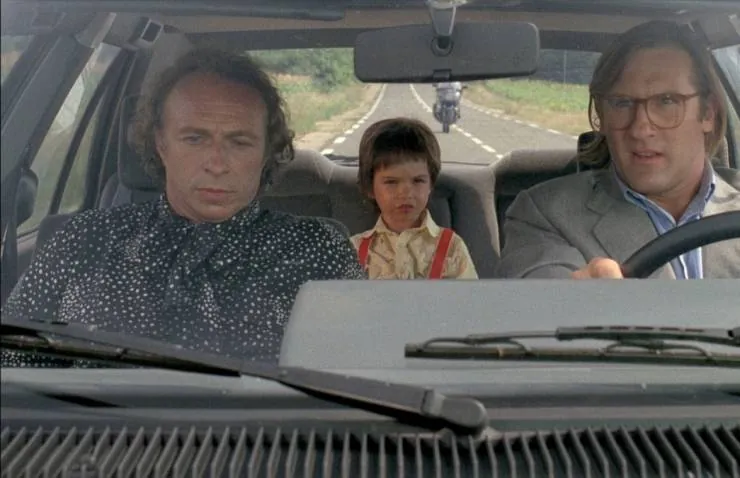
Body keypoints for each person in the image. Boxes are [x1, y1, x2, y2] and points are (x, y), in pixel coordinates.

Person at [2, 48, 366, 366]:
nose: (217, 164)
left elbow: (358, 382)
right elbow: (11, 367)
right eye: (195, 139)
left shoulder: (318, 251)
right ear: (161, 144)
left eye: (239, 142)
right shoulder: (83, 241)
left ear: (266, 152)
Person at [496, 21, 740, 279]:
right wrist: (574, 296)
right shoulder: (545, 214)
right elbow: (540, 289)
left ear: (708, 113)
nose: (640, 128)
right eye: (622, 103)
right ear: (602, 114)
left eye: (666, 101)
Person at [351, 117, 478, 279]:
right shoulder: (353, 250)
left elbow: (469, 295)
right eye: (391, 182)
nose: (406, 193)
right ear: (370, 187)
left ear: (431, 185)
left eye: (418, 181)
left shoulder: (452, 248)